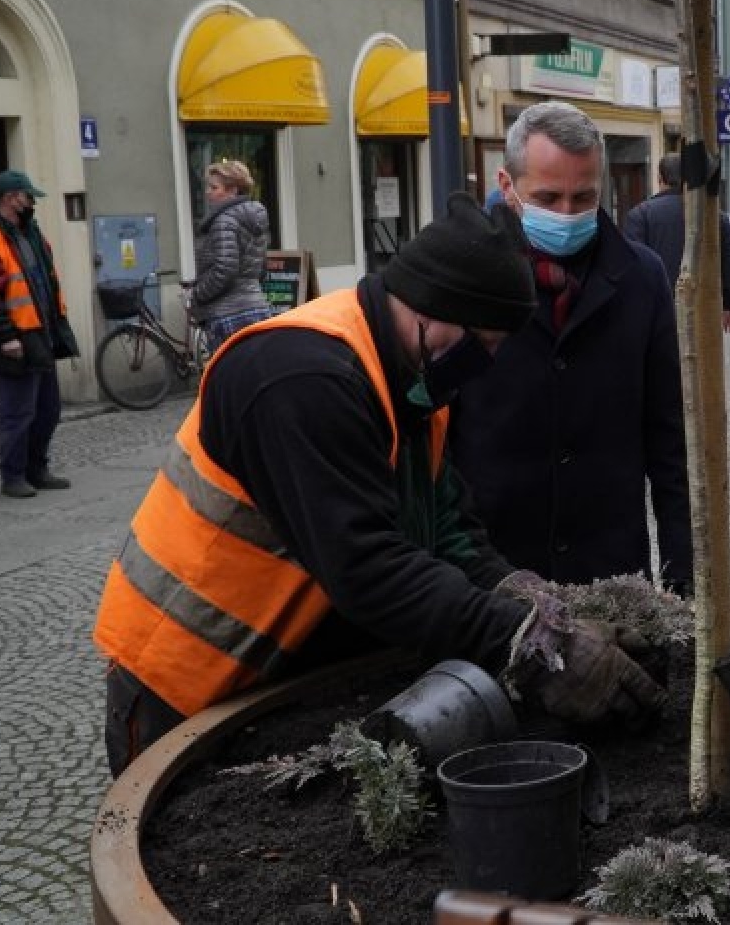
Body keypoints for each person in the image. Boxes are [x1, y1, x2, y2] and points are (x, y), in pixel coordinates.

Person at [92, 192, 665, 776]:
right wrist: (535, 646)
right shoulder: (301, 379)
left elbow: (449, 532)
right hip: (187, 682)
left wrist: (528, 599)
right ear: (435, 311)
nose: (486, 365)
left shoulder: (414, 382)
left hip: (279, 680)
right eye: (485, 345)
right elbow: (370, 567)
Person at [450, 101, 693, 595]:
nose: (566, 213)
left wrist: (681, 568)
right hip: (492, 569)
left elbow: (667, 432)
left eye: (584, 197)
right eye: (549, 196)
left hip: (609, 569)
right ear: (507, 187)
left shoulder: (642, 277)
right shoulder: (463, 276)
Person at [0, 169, 80, 498]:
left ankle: (36, 468)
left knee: (48, 409)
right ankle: (12, 475)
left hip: (40, 333)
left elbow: (44, 281)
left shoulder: (30, 234)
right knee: (18, 412)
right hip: (14, 338)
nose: (32, 202)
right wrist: (6, 337)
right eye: (28, 196)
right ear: (11, 198)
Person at [623, 153, 730, 333]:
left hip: (656, 315)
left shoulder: (640, 215)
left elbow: (631, 270)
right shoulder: (714, 215)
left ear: (660, 179)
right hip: (703, 311)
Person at [191, 159, 274, 354]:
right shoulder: (256, 219)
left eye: (214, 187)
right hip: (257, 308)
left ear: (233, 190)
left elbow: (225, 270)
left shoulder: (224, 221)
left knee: (229, 380)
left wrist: (197, 294)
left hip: (228, 314)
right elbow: (261, 268)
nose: (207, 192)